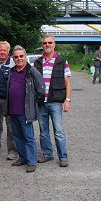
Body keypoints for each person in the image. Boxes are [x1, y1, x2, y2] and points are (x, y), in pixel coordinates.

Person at [33, 34, 72, 167]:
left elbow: (67, 82)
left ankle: (63, 156)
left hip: (55, 102)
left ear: (54, 44)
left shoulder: (62, 61)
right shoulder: (37, 62)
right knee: (43, 131)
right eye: (44, 43)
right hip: (41, 103)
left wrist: (67, 100)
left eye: (50, 42)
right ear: (42, 45)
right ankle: (47, 154)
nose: (47, 45)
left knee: (59, 131)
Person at [7, 46, 45, 173]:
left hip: (25, 111)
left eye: (21, 56)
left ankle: (32, 161)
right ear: (13, 58)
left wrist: (33, 104)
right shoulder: (11, 71)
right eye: (16, 57)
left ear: (25, 57)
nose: (19, 59)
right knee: (17, 136)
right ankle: (22, 157)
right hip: (13, 110)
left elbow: (41, 89)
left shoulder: (32, 71)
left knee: (28, 137)